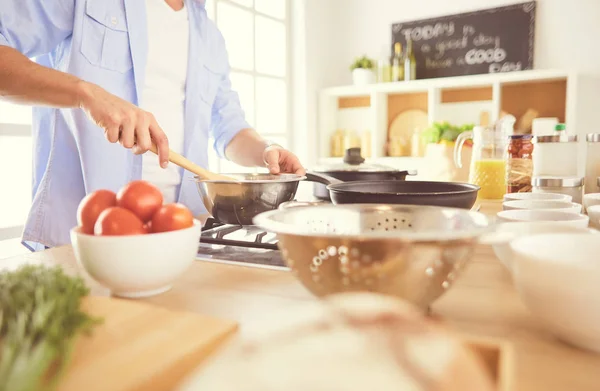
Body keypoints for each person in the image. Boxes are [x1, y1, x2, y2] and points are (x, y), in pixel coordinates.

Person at [0, 0, 305, 251]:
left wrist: (267, 150)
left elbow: (229, 125)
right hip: (83, 240)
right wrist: (86, 94)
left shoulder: (210, 36)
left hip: (184, 237)